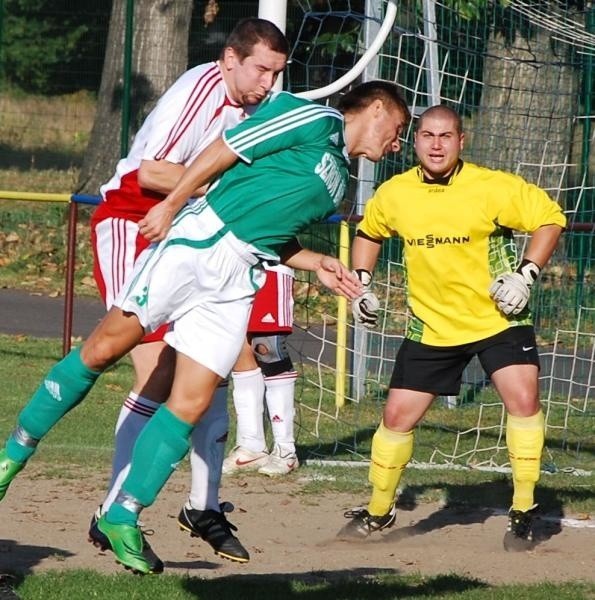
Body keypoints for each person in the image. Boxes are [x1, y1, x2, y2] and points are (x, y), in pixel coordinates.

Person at [0, 80, 411, 574]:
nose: (397, 144)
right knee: (103, 350)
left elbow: (269, 228)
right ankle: (12, 456)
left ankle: (122, 514)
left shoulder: (340, 180)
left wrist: (317, 261)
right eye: (400, 130)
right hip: (200, 241)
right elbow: (225, 149)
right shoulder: (312, 118)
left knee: (193, 401)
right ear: (378, 109)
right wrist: (172, 203)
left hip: (239, 278)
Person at [87, 17, 289, 568]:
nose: (269, 83)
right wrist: (228, 182)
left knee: (210, 369)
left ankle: (202, 506)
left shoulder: (265, 107)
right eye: (261, 69)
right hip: (135, 222)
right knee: (156, 375)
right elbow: (152, 174)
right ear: (230, 59)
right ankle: (110, 511)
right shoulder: (203, 87)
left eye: (277, 72)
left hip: (194, 234)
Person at [340, 105, 566, 552]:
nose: (437, 145)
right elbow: (369, 233)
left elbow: (550, 219)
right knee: (396, 419)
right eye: (427, 136)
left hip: (497, 318)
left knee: (523, 401)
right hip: (432, 325)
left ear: (462, 141)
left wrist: (525, 275)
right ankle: (379, 510)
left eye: (446, 136)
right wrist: (361, 284)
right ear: (415, 141)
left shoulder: (492, 187)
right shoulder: (395, 192)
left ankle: (523, 509)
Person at [223, 263, 300, 477]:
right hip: (233, 264)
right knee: (240, 348)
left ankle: (286, 451)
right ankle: (251, 446)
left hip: (270, 263)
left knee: (268, 348)